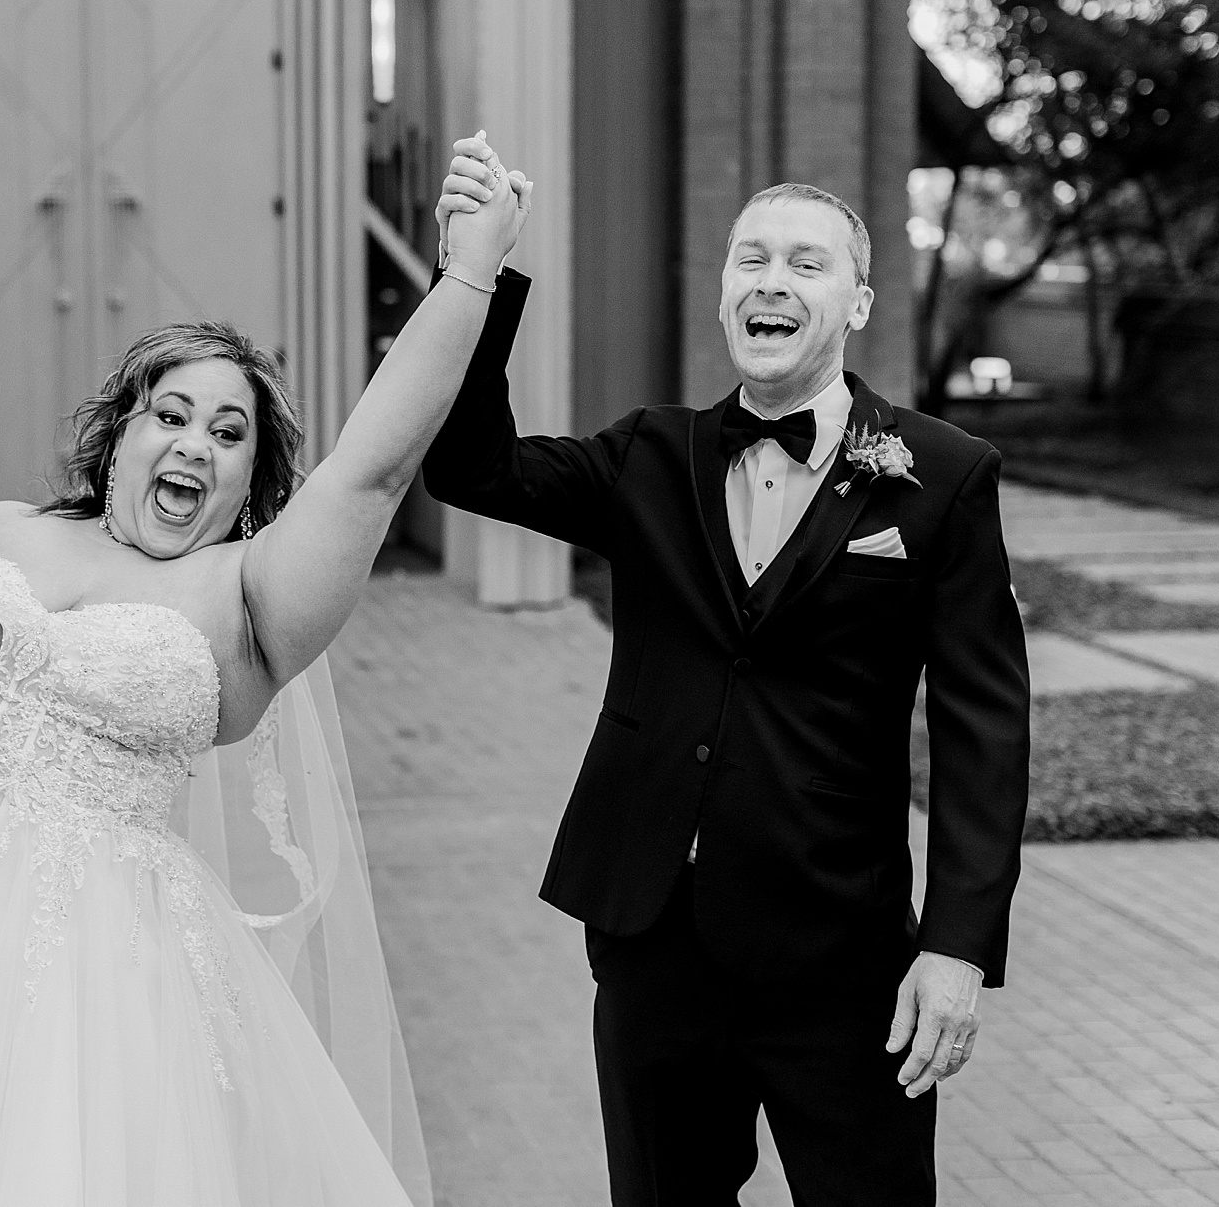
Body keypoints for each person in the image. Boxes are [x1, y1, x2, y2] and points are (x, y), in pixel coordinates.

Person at [0, 142, 533, 1206]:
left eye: (228, 433)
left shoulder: (244, 595)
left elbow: (376, 463)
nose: (193, 445)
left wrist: (470, 268)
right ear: (117, 434)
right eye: (170, 415)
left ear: (254, 479)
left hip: (80, 983)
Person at [425, 137, 1031, 1205]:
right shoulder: (648, 455)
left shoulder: (938, 475)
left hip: (841, 962)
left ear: (855, 303)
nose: (770, 281)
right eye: (749, 258)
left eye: (805, 263)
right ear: (722, 294)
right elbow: (469, 464)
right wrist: (476, 271)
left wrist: (956, 948)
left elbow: (985, 725)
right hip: (652, 938)